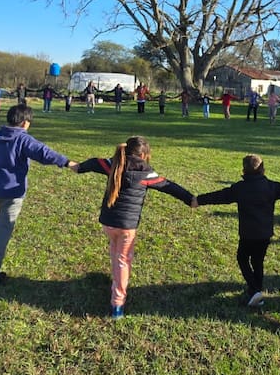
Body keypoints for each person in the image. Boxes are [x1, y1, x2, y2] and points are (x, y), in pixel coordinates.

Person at [0, 105, 77, 289]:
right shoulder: (23, 139)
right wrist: (67, 162)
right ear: (25, 123)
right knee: (4, 231)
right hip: (13, 194)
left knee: (2, 222)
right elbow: (43, 152)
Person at [76, 136, 194, 319]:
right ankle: (117, 304)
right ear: (144, 154)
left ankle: (116, 280)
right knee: (123, 260)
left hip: (108, 222)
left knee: (116, 252)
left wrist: (79, 167)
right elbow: (170, 186)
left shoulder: (113, 163)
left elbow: (94, 162)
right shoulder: (146, 173)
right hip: (127, 227)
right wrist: (190, 199)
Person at [195, 154, 280, 307]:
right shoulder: (271, 187)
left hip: (248, 234)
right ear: (263, 169)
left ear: (243, 170)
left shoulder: (239, 188)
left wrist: (198, 200)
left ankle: (254, 290)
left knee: (242, 258)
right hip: (265, 234)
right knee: (258, 261)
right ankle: (257, 290)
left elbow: (219, 196)